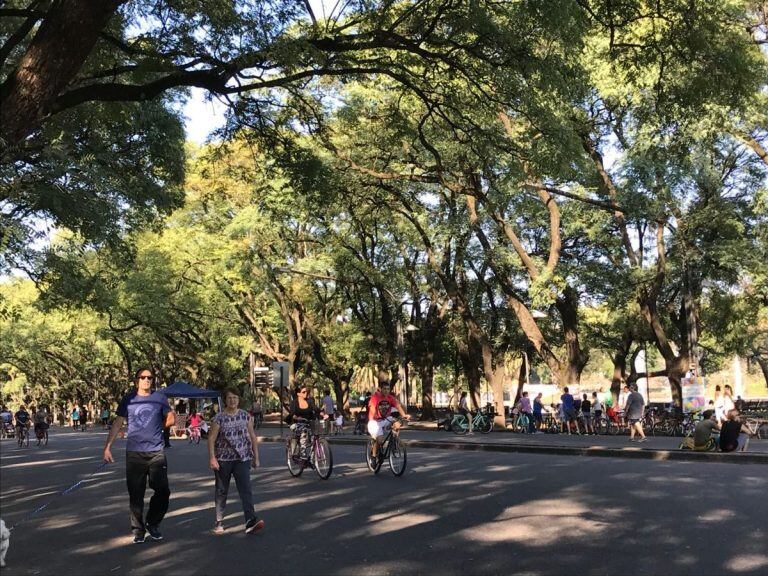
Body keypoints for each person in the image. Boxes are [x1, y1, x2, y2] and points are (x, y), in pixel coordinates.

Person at [103, 368, 175, 544]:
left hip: (156, 452)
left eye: (150, 377)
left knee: (163, 490)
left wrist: (159, 426)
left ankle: (153, 522)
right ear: (137, 381)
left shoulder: (159, 398)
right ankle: (138, 529)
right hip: (134, 453)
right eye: (143, 377)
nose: (147, 380)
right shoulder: (129, 399)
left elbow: (171, 418)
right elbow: (118, 422)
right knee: (136, 494)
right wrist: (108, 447)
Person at [208, 388, 264, 535]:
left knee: (246, 490)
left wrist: (256, 457)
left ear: (239, 400)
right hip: (223, 460)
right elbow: (211, 439)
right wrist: (212, 458)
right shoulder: (218, 418)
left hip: (242, 458)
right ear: (225, 400)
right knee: (222, 490)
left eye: (235, 397)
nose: (232, 400)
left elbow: (252, 437)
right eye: (229, 398)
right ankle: (219, 521)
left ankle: (250, 520)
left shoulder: (245, 416)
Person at [367, 379, 410, 465]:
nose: (386, 391)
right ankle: (374, 456)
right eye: (384, 389)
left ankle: (394, 443)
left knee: (397, 424)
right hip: (374, 421)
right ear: (380, 389)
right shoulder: (375, 398)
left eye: (388, 389)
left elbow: (398, 406)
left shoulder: (390, 398)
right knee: (379, 440)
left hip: (386, 419)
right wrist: (376, 415)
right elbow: (372, 409)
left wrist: (404, 415)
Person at [285, 384, 318, 458]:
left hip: (308, 423)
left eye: (307, 392)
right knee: (304, 430)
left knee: (314, 435)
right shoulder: (294, 402)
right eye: (304, 392)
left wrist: (323, 414)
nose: (306, 393)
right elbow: (292, 414)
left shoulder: (309, 401)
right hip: (296, 424)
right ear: (298, 393)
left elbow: (316, 409)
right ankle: (302, 451)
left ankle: (313, 456)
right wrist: (297, 418)